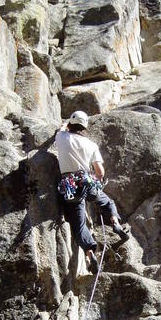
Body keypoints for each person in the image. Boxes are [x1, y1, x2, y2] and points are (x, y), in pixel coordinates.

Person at [56, 110, 129, 274]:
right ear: (85, 126)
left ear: (71, 123)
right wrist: (95, 179)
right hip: (87, 183)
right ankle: (116, 224)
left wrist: (64, 125)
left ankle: (90, 254)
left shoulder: (61, 137)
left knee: (79, 225)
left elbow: (60, 129)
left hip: (70, 186)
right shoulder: (91, 145)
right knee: (107, 202)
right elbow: (100, 172)